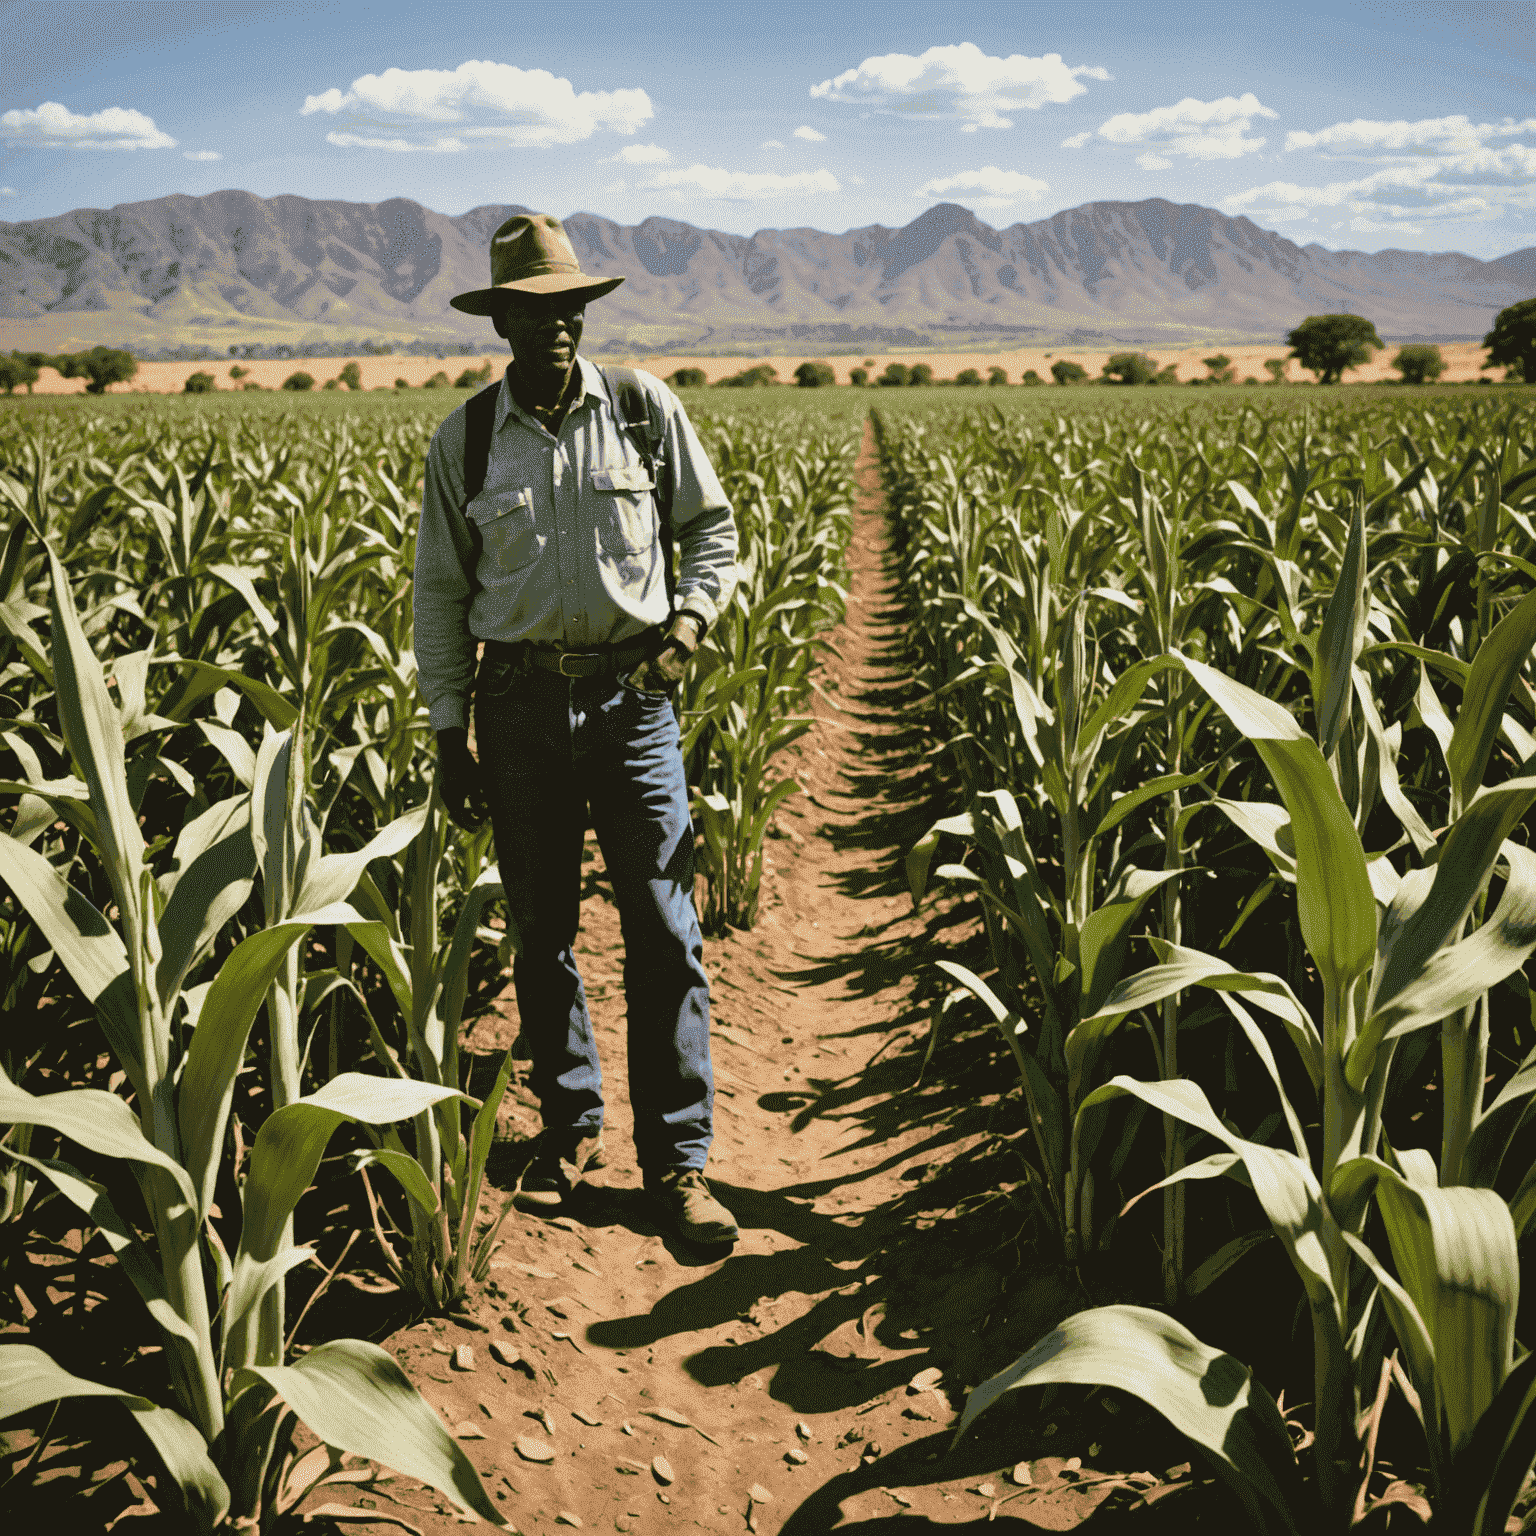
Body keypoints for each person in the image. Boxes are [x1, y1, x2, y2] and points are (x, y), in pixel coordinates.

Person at [412, 212, 740, 1246]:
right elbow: (438, 594)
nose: (555, 327)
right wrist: (449, 730)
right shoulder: (463, 439)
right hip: (514, 711)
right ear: (502, 319)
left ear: (585, 314)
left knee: (664, 929)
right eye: (533, 310)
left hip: (633, 701)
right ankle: (569, 1128)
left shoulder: (643, 411)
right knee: (542, 932)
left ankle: (678, 1165)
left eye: (570, 309)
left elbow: (711, 531)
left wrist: (687, 624)